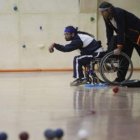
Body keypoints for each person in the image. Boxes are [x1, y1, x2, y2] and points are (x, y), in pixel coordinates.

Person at [99, 1, 140, 82]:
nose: (101, 14)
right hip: (128, 36)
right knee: (124, 57)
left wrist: (119, 46)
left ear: (109, 10)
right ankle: (120, 78)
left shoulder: (118, 13)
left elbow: (121, 29)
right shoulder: (106, 17)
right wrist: (109, 46)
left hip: (137, 34)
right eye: (100, 12)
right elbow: (109, 32)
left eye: (103, 11)